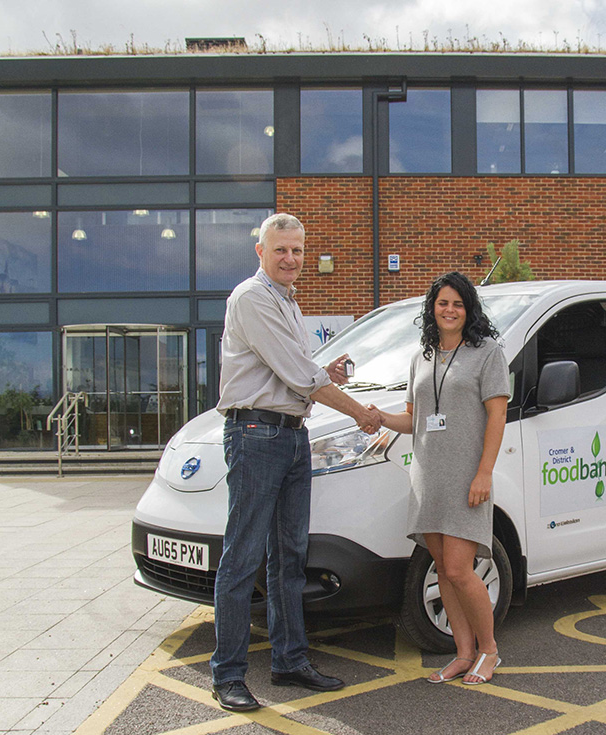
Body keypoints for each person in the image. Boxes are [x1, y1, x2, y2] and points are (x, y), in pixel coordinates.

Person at [211, 213, 381, 712]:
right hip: (255, 435)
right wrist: (360, 413)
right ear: (260, 251)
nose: (291, 259)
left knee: (289, 557)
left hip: (289, 436)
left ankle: (289, 661)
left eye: (298, 251)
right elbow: (298, 374)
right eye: (281, 250)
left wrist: (320, 373)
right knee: (241, 559)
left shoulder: (287, 302)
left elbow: (295, 373)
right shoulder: (252, 297)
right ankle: (229, 676)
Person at [374, 271, 510, 685]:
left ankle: (490, 651)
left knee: (458, 569)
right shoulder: (423, 355)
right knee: (443, 568)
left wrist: (484, 472)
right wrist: (378, 417)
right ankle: (463, 653)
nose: (449, 310)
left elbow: (497, 415)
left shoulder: (487, 353)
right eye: (442, 303)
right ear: (431, 308)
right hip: (428, 477)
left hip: (467, 477)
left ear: (469, 310)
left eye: (457, 304)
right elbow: (414, 419)